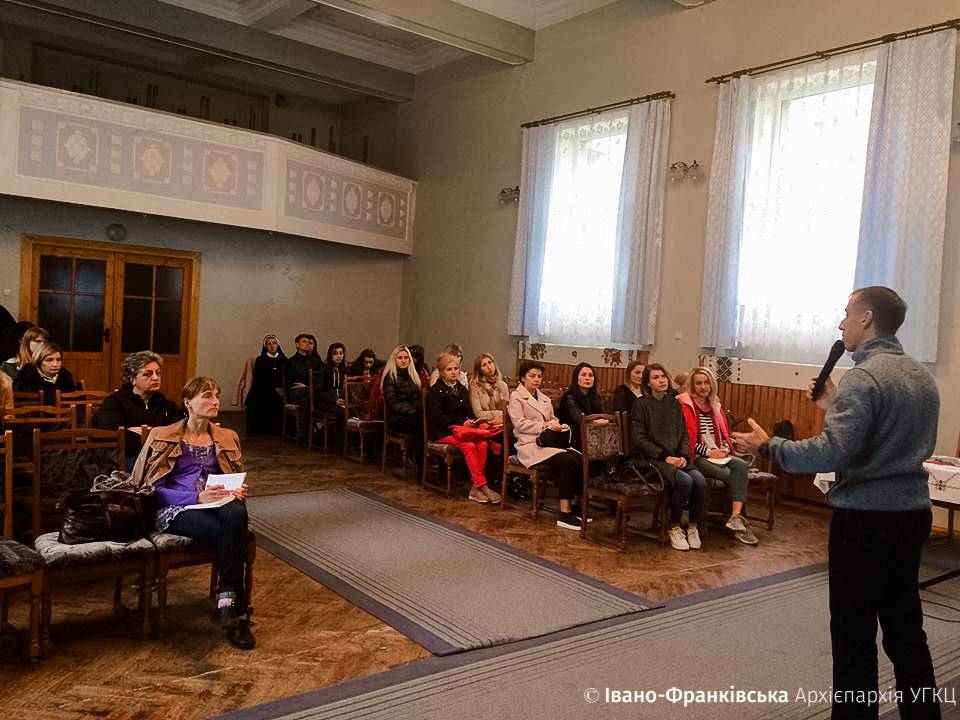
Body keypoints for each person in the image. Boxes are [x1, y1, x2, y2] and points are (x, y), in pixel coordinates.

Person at [732, 286, 941, 720]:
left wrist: (769, 445)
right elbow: (881, 440)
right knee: (905, 629)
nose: (841, 323)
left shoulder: (863, 377)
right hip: (911, 514)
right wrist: (833, 405)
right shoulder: (920, 375)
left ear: (867, 318)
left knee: (853, 635)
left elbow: (834, 452)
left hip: (866, 520)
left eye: (847, 313)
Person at [130, 376, 255, 651]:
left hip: (216, 507)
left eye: (217, 396)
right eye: (207, 396)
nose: (215, 401)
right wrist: (195, 497)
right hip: (176, 508)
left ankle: (227, 606)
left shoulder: (227, 437)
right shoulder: (162, 435)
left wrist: (237, 489)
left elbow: (232, 477)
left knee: (235, 512)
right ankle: (236, 612)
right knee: (234, 533)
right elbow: (149, 490)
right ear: (188, 402)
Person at [678, 366, 758, 545]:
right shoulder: (684, 405)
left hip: (717, 454)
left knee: (741, 466)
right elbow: (686, 439)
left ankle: (735, 517)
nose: (703, 387)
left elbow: (722, 435)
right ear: (692, 385)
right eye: (699, 383)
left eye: (706, 383)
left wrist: (724, 447)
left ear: (712, 385)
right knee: (733, 476)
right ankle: (739, 522)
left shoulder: (715, 406)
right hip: (698, 457)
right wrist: (709, 452)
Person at [630, 363, 706, 551]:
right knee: (685, 481)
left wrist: (684, 455)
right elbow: (639, 439)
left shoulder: (674, 403)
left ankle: (693, 527)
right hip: (652, 460)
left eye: (663, 376)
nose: (661, 380)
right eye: (655, 377)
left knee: (699, 480)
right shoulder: (641, 404)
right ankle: (674, 527)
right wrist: (666, 457)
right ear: (648, 382)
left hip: (676, 457)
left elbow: (684, 433)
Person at [508, 360, 584, 530]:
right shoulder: (516, 397)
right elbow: (519, 423)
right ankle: (564, 512)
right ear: (523, 377)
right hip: (529, 444)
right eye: (532, 376)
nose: (537, 379)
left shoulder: (544, 398)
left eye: (539, 376)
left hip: (547, 442)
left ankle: (574, 505)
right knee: (568, 461)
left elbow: (553, 418)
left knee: (579, 459)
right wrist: (544, 426)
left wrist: (557, 425)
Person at [426, 352, 501, 504]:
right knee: (468, 445)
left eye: (456, 368)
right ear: (442, 372)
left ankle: (475, 488)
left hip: (462, 430)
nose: (453, 372)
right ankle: (483, 486)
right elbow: (438, 417)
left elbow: (469, 412)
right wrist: (461, 423)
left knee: (482, 443)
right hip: (443, 431)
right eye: (449, 369)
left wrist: (472, 422)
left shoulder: (462, 389)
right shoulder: (435, 391)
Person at [93, 351, 181, 469]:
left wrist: (143, 432)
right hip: (127, 457)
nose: (155, 378)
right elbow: (114, 435)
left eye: (158, 373)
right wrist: (156, 434)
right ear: (132, 379)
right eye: (147, 374)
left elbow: (177, 434)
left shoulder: (168, 405)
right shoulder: (115, 402)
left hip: (162, 457)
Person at [381, 345, 423, 453]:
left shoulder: (413, 376)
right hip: (397, 419)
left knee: (428, 420)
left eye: (406, 357)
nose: (403, 361)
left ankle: (426, 456)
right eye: (400, 358)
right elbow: (392, 403)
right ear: (394, 360)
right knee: (421, 421)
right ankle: (419, 458)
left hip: (413, 416)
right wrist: (413, 411)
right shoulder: (390, 377)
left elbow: (418, 399)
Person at [243, 335, 286, 435]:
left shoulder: (284, 360)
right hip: (263, 387)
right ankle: (260, 430)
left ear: (278, 345)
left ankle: (277, 430)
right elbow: (262, 377)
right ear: (265, 346)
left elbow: (286, 376)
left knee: (278, 400)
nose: (272, 346)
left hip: (280, 388)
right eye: (269, 344)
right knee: (256, 400)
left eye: (274, 343)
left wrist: (281, 388)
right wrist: (274, 388)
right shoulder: (260, 360)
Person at [284, 333, 321, 446]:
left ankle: (303, 436)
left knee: (306, 401)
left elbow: (321, 378)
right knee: (308, 393)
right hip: (294, 393)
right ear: (297, 344)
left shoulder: (315, 361)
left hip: (309, 391)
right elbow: (290, 383)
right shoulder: (290, 362)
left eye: (309, 342)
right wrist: (307, 386)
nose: (307, 344)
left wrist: (306, 386)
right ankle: (313, 432)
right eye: (304, 341)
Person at [557, 362, 604, 450]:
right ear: (576, 378)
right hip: (571, 441)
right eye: (583, 375)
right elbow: (579, 421)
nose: (587, 378)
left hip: (591, 437)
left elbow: (601, 417)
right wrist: (596, 422)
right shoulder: (568, 397)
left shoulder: (596, 397)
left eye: (591, 375)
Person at [468, 353, 509, 425]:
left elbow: (507, 410)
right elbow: (478, 413)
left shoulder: (503, 385)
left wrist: (502, 417)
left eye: (490, 362)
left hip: (501, 423)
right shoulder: (475, 386)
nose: (489, 367)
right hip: (484, 424)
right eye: (484, 365)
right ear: (480, 370)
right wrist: (497, 415)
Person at [314, 342, 347, 421]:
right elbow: (319, 391)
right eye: (335, 353)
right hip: (326, 401)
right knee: (343, 412)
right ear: (330, 355)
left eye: (341, 353)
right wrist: (334, 400)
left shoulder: (345, 370)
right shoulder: (324, 369)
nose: (339, 356)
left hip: (341, 400)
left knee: (354, 411)